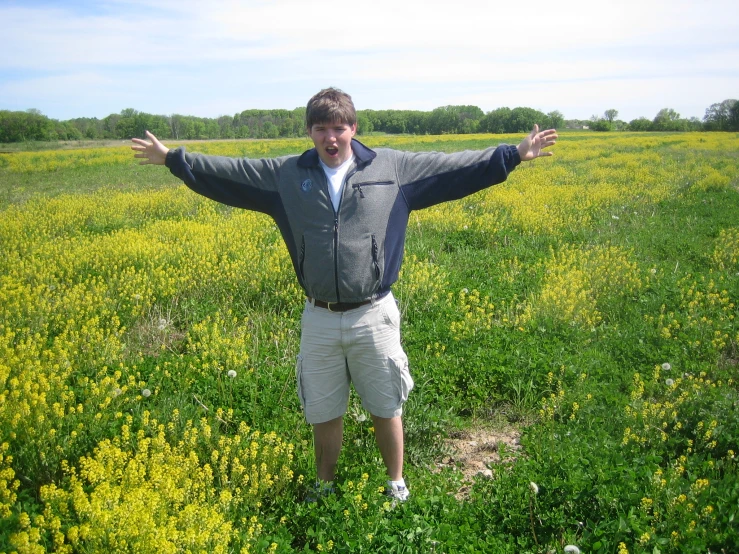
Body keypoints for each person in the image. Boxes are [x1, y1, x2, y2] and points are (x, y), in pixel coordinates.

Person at [131, 87, 557, 502]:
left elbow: (452, 167)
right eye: (320, 129)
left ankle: (396, 483)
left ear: (353, 128)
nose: (330, 138)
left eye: (338, 127)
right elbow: (229, 173)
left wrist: (512, 155)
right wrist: (172, 159)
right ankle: (324, 486)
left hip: (374, 313)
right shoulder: (286, 175)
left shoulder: (392, 169)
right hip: (319, 316)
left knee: (386, 404)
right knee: (323, 410)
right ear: (309, 133)